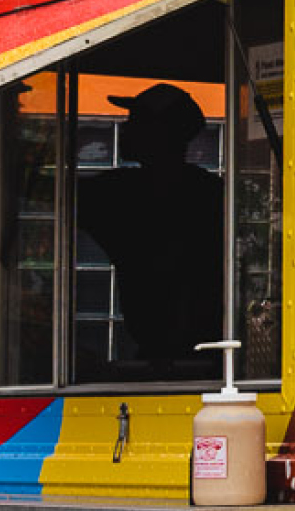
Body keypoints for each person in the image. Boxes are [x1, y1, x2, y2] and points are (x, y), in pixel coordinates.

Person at [76, 83, 223, 373]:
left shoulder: (125, 192)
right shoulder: (210, 191)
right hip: (198, 354)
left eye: (136, 121)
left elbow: (49, 192)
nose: (125, 128)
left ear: (162, 133)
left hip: (178, 354)